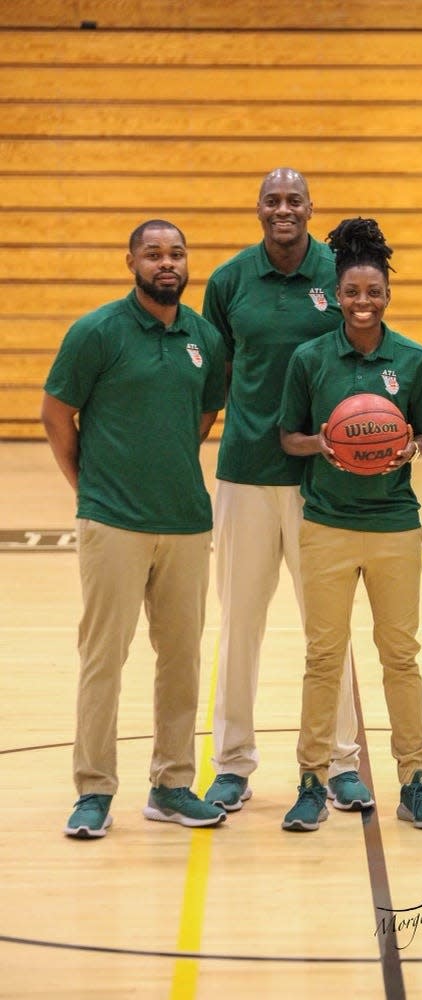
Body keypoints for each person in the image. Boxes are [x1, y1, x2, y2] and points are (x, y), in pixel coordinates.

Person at [41, 220, 228, 838]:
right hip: (112, 521)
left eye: (176, 253)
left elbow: (203, 413)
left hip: (184, 520)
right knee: (104, 658)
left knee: (180, 659)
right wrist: (90, 489)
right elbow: (56, 414)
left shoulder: (204, 337)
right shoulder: (96, 332)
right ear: (131, 262)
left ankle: (173, 784)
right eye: (154, 254)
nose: (166, 263)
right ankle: (93, 790)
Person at [201, 168, 367, 814]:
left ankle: (342, 762)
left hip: (321, 480)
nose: (283, 209)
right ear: (257, 209)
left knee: (328, 630)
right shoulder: (230, 281)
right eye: (272, 200)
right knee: (238, 624)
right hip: (245, 473)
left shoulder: (339, 272)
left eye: (293, 199)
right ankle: (232, 764)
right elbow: (213, 376)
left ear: (310, 207)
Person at [279, 217, 422, 832]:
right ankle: (311, 781)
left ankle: (415, 779)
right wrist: (319, 442)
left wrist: (414, 448)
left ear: (387, 296)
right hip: (325, 523)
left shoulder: (413, 359)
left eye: (372, 293)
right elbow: (288, 436)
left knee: (400, 656)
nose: (361, 303)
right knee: (323, 657)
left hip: (394, 524)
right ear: (338, 295)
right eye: (351, 292)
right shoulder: (309, 358)